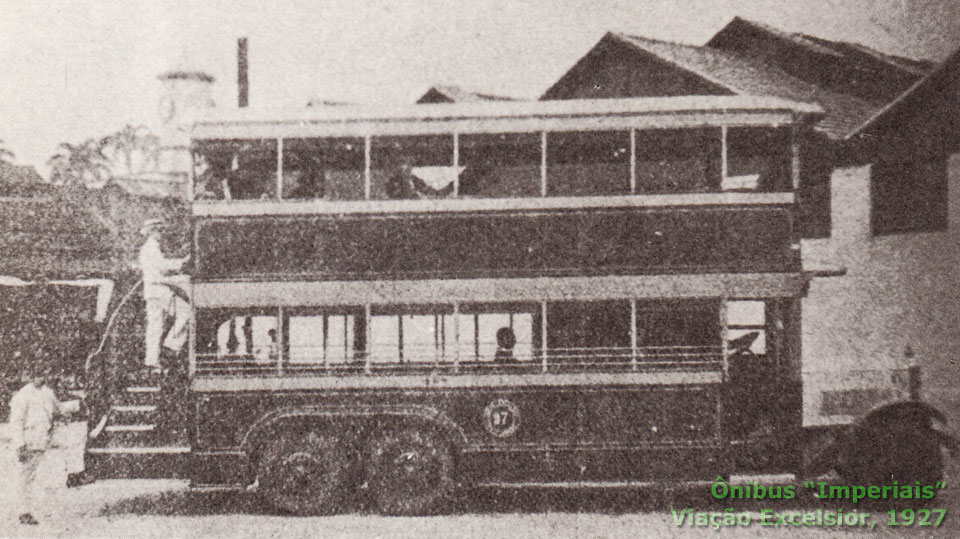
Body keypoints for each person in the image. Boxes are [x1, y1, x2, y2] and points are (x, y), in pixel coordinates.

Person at [9, 364, 80, 526]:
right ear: (29, 376)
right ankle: (23, 511)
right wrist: (20, 445)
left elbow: (59, 409)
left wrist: (77, 405)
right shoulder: (22, 396)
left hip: (44, 441)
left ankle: (44, 509)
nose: (40, 378)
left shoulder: (48, 393)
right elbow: (16, 422)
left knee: (42, 477)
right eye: (36, 375)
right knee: (25, 477)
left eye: (43, 374)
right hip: (29, 441)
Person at [138, 219, 190, 370]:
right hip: (159, 289)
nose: (162, 234)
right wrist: (182, 262)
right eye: (159, 231)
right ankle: (171, 345)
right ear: (152, 231)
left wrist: (179, 262)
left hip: (151, 291)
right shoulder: (151, 248)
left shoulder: (148, 248)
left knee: (154, 326)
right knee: (186, 313)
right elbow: (162, 267)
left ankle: (151, 360)